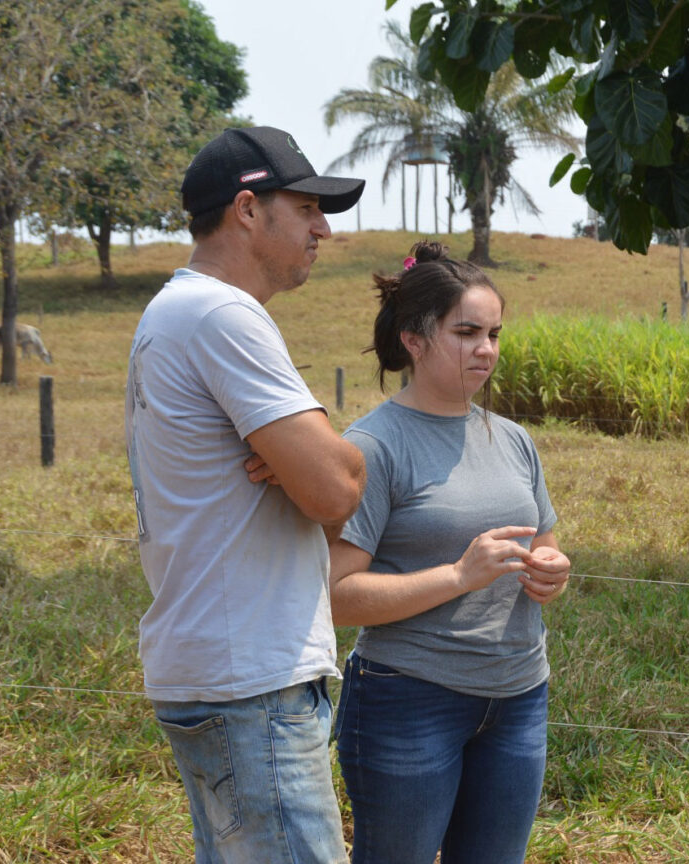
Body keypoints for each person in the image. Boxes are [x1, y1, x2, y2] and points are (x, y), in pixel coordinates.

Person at [124, 125, 367, 863]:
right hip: (251, 681)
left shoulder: (172, 312)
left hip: (216, 671)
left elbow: (316, 478)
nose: (323, 228)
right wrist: (326, 455)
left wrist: (305, 455)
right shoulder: (224, 316)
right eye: (306, 207)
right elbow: (336, 487)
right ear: (248, 210)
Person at [330, 240, 571, 864]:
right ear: (415, 338)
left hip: (519, 695)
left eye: (494, 333)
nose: (486, 350)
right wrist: (460, 575)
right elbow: (335, 596)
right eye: (467, 332)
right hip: (407, 698)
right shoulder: (373, 446)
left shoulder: (514, 439)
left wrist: (551, 572)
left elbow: (544, 546)